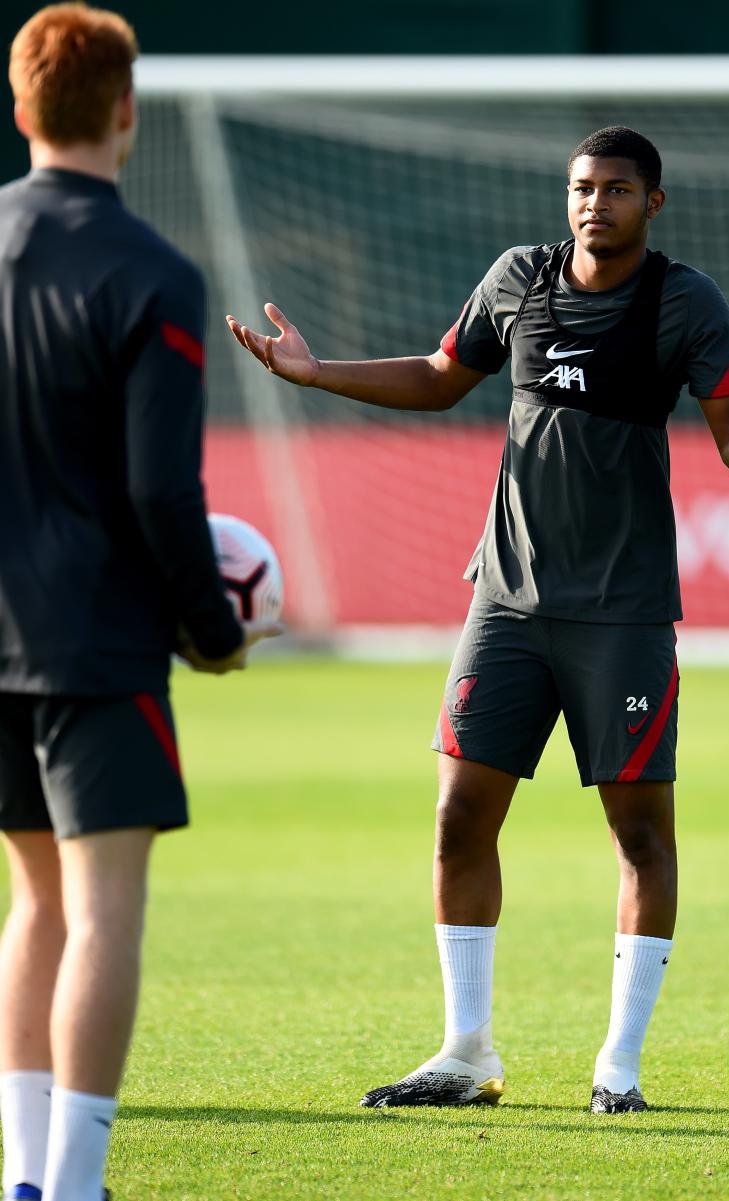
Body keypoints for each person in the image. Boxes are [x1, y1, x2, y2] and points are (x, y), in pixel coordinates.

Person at [228, 125, 729, 1114]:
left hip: (623, 614)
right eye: (583, 187)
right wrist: (317, 370)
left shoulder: (686, 303)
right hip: (505, 603)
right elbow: (438, 376)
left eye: (617, 190)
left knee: (640, 837)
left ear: (654, 204)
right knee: (458, 819)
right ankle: (466, 1052)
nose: (595, 204)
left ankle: (619, 1070)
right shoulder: (518, 279)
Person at [0, 6, 279, 1199]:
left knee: (35, 902)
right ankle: (73, 1185)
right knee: (103, 908)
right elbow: (163, 491)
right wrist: (212, 632)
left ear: (21, 109)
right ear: (125, 109)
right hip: (95, 645)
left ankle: (24, 1175)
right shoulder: (152, 274)